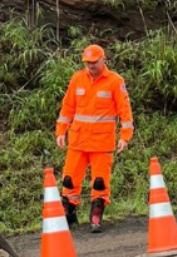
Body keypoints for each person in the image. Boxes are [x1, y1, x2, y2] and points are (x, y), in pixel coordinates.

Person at [55, 44, 134, 232]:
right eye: (87, 62)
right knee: (69, 180)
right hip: (78, 140)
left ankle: (96, 215)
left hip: (101, 143)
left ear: (103, 59)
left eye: (93, 62)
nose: (90, 66)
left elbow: (125, 110)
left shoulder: (115, 81)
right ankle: (69, 213)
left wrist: (125, 136)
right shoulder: (77, 79)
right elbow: (68, 107)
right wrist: (61, 131)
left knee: (99, 182)